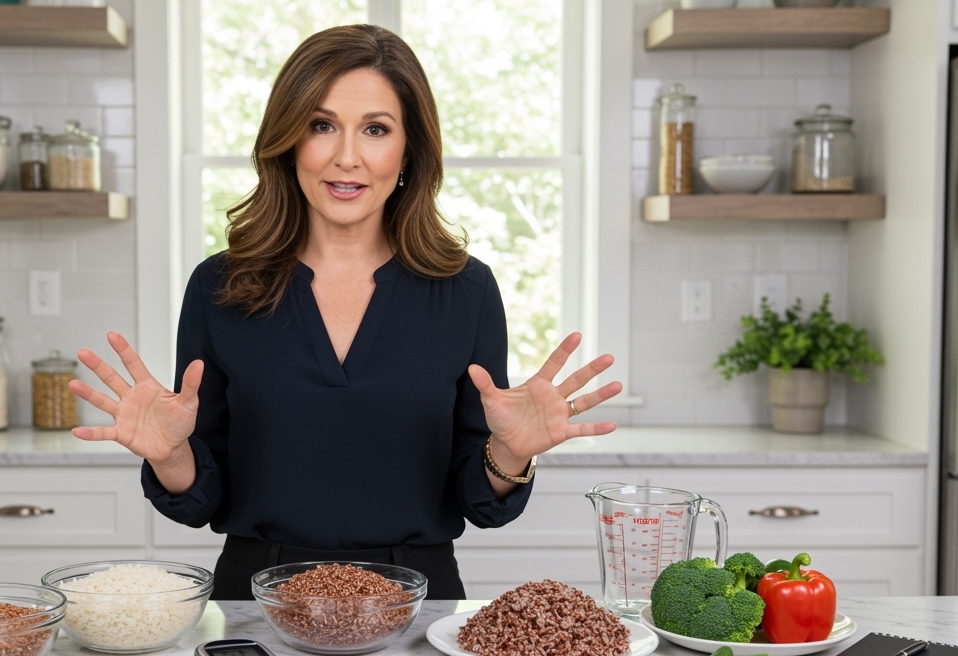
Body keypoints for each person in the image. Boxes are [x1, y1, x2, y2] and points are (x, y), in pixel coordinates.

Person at [70, 24, 622, 600]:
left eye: (376, 129)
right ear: (288, 140)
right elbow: (202, 497)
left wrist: (508, 454)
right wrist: (173, 454)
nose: (347, 157)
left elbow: (477, 501)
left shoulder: (466, 290)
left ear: (410, 149)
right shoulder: (220, 286)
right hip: (255, 603)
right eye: (321, 125)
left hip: (420, 602)